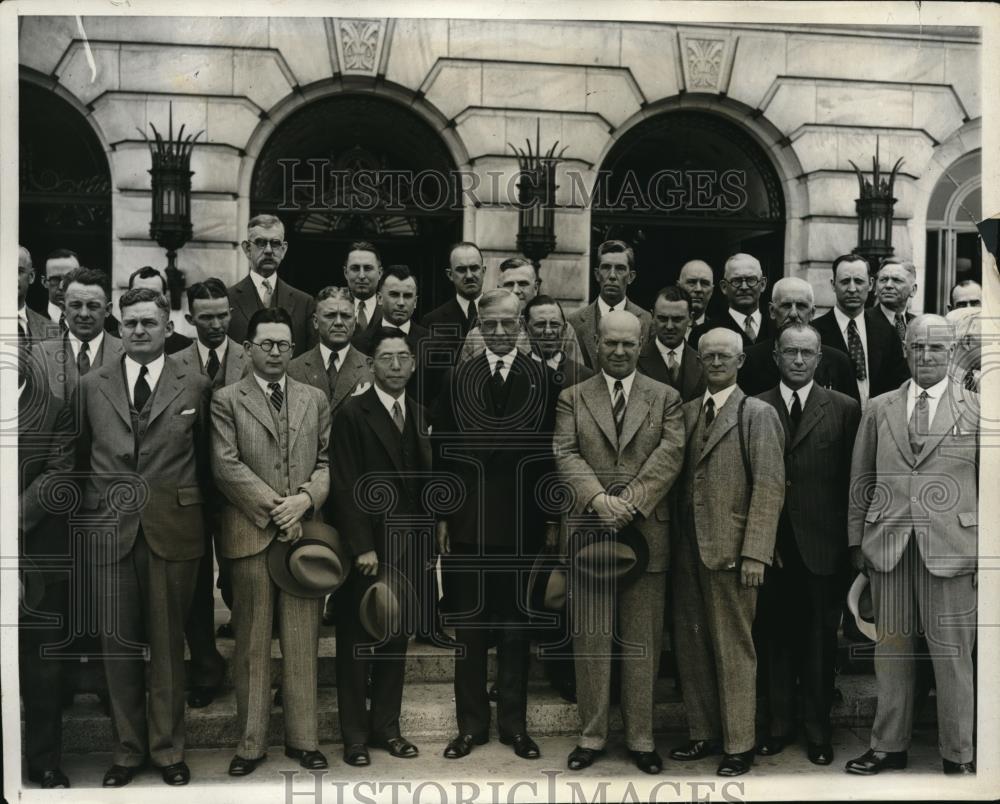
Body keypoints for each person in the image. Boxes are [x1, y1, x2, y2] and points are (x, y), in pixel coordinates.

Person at [73, 287, 213, 787]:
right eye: (129, 322)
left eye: (148, 323)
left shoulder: (194, 384)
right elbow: (79, 457)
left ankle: (169, 750)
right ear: (118, 325)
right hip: (111, 531)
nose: (138, 331)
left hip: (174, 531)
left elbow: (207, 464)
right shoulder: (92, 384)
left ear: (167, 327)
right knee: (119, 647)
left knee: (169, 648)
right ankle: (128, 751)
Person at [845, 315, 978, 777]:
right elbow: (861, 480)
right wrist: (856, 540)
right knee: (892, 654)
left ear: (953, 352)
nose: (925, 355)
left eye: (935, 348)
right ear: (905, 351)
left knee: (953, 658)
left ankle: (958, 754)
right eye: (917, 347)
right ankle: (888, 747)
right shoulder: (880, 408)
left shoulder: (977, 409)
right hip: (890, 547)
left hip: (954, 549)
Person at [554, 310, 685, 775]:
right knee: (590, 641)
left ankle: (641, 737)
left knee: (641, 642)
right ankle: (590, 736)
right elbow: (565, 452)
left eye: (629, 344)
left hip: (645, 531)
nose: (620, 351)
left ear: (642, 341)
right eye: (611, 343)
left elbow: (670, 454)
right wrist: (597, 501)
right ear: (595, 341)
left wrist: (628, 502)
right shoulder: (573, 397)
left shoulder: (666, 397)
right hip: (590, 533)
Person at [432, 290, 560, 761]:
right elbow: (441, 449)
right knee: (469, 631)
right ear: (479, 326)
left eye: (510, 324)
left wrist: (549, 519)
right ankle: (470, 728)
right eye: (492, 324)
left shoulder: (543, 379)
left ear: (522, 325)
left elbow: (551, 456)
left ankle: (514, 726)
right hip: (468, 524)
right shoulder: (456, 376)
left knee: (515, 629)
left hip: (522, 524)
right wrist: (442, 515)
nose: (501, 333)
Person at [211, 307, 332, 777]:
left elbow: (325, 461)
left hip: (302, 535)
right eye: (267, 344)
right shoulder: (227, 399)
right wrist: (274, 508)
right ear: (249, 348)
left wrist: (303, 501)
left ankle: (304, 740)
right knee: (253, 644)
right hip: (251, 535)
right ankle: (250, 742)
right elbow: (225, 465)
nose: (277, 352)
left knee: (303, 640)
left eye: (285, 344)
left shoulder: (313, 397)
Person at [670, 328, 785, 777]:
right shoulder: (685, 413)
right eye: (709, 356)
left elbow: (770, 487)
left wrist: (756, 552)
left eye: (725, 356)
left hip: (734, 552)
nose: (716, 362)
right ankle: (704, 733)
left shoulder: (756, 413)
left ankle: (739, 742)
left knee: (734, 646)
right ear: (699, 361)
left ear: (741, 362)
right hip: (687, 550)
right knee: (692, 645)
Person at [755, 324, 861, 766]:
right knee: (775, 640)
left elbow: (856, 482)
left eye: (807, 353)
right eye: (790, 352)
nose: (798, 360)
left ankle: (818, 731)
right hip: (773, 545)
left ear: (820, 359)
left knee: (820, 644)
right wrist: (759, 542)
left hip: (824, 545)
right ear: (776, 356)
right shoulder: (756, 406)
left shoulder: (844, 408)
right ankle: (779, 726)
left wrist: (850, 545)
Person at [329, 329, 432, 767]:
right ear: (371, 365)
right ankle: (353, 735)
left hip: (409, 548)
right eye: (386, 358)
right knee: (356, 641)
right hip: (368, 549)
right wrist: (361, 547)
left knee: (395, 637)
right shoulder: (353, 413)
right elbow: (346, 482)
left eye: (402, 357)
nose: (395, 365)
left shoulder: (421, 413)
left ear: (412, 364)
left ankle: (387, 728)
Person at [173, 277, 247, 699]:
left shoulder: (251, 359)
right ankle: (205, 670)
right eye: (206, 317)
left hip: (239, 493)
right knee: (195, 586)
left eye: (222, 315)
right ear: (190, 319)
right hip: (190, 494)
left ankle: (253, 670)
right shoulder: (174, 361)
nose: (216, 323)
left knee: (243, 582)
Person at [18, 340, 75, 788]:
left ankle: (44, 761)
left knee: (42, 664)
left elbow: (58, 473)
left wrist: (7, 521)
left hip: (38, 552)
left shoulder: (55, 409)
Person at [811, 254, 910, 407]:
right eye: (845, 281)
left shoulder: (887, 332)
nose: (852, 289)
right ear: (833, 285)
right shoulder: (814, 333)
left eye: (858, 281)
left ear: (870, 284)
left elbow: (898, 387)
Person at [737, 277, 858, 399]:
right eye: (786, 306)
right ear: (772, 311)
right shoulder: (749, 361)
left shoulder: (838, 362)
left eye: (801, 306)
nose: (793, 314)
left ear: (812, 312)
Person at [459, 257, 582, 365]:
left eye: (523, 283)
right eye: (509, 284)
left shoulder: (562, 330)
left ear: (535, 288)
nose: (516, 290)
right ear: (499, 289)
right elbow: (464, 379)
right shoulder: (476, 335)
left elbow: (576, 376)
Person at [227, 214, 315, 356]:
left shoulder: (304, 303)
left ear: (284, 249)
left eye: (275, 243)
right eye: (261, 243)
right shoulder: (228, 299)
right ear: (247, 249)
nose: (268, 250)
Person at [37, 268, 124, 400]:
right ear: (63, 309)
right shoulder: (39, 355)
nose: (84, 314)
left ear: (108, 310)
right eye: (76, 305)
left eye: (93, 306)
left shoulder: (126, 354)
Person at [567, 240, 651, 370]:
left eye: (620, 268)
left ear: (631, 277)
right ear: (596, 274)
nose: (612, 275)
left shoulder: (647, 321)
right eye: (606, 267)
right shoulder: (574, 322)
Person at [636, 285, 706, 402]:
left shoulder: (703, 363)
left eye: (677, 319)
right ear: (652, 317)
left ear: (691, 318)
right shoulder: (636, 362)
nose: (669, 326)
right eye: (662, 319)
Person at [689, 253, 771, 349]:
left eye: (751, 280)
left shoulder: (777, 328)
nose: (744, 287)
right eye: (736, 281)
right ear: (724, 287)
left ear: (762, 284)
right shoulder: (703, 333)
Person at [523, 294, 593, 389]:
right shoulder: (512, 372)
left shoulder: (585, 378)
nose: (548, 331)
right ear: (526, 328)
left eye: (554, 324)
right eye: (540, 324)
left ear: (564, 330)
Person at [127, 266, 194, 354]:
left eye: (154, 294)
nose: (145, 300)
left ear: (164, 299)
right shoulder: (111, 343)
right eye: (138, 293)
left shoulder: (184, 347)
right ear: (127, 296)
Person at [344, 241, 385, 346]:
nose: (362, 276)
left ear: (380, 273)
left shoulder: (390, 309)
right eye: (355, 268)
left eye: (368, 268)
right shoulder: (331, 309)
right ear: (345, 273)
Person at [18, 245, 60, 340]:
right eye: (4, 270)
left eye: (19, 271)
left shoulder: (54, 332)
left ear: (31, 276)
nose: (11, 276)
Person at [874, 259, 917, 341]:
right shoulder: (863, 322)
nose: (888, 285)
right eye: (883, 280)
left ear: (913, 290)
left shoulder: (918, 325)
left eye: (897, 280)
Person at [677, 259, 715, 335]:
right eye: (691, 282)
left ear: (711, 291)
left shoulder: (717, 331)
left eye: (704, 283)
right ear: (679, 287)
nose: (698, 289)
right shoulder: (659, 329)